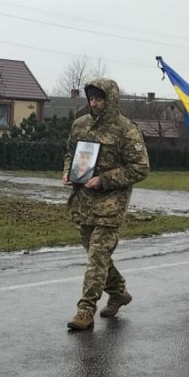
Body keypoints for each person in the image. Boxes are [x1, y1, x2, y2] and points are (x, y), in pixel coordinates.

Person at [63, 79, 151, 330]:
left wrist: (104, 180)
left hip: (112, 202)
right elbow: (70, 153)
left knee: (98, 255)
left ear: (110, 99)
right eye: (91, 98)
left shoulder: (126, 130)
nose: (94, 103)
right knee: (95, 255)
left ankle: (85, 309)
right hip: (84, 200)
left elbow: (141, 168)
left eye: (99, 98)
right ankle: (119, 292)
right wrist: (68, 172)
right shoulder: (80, 124)